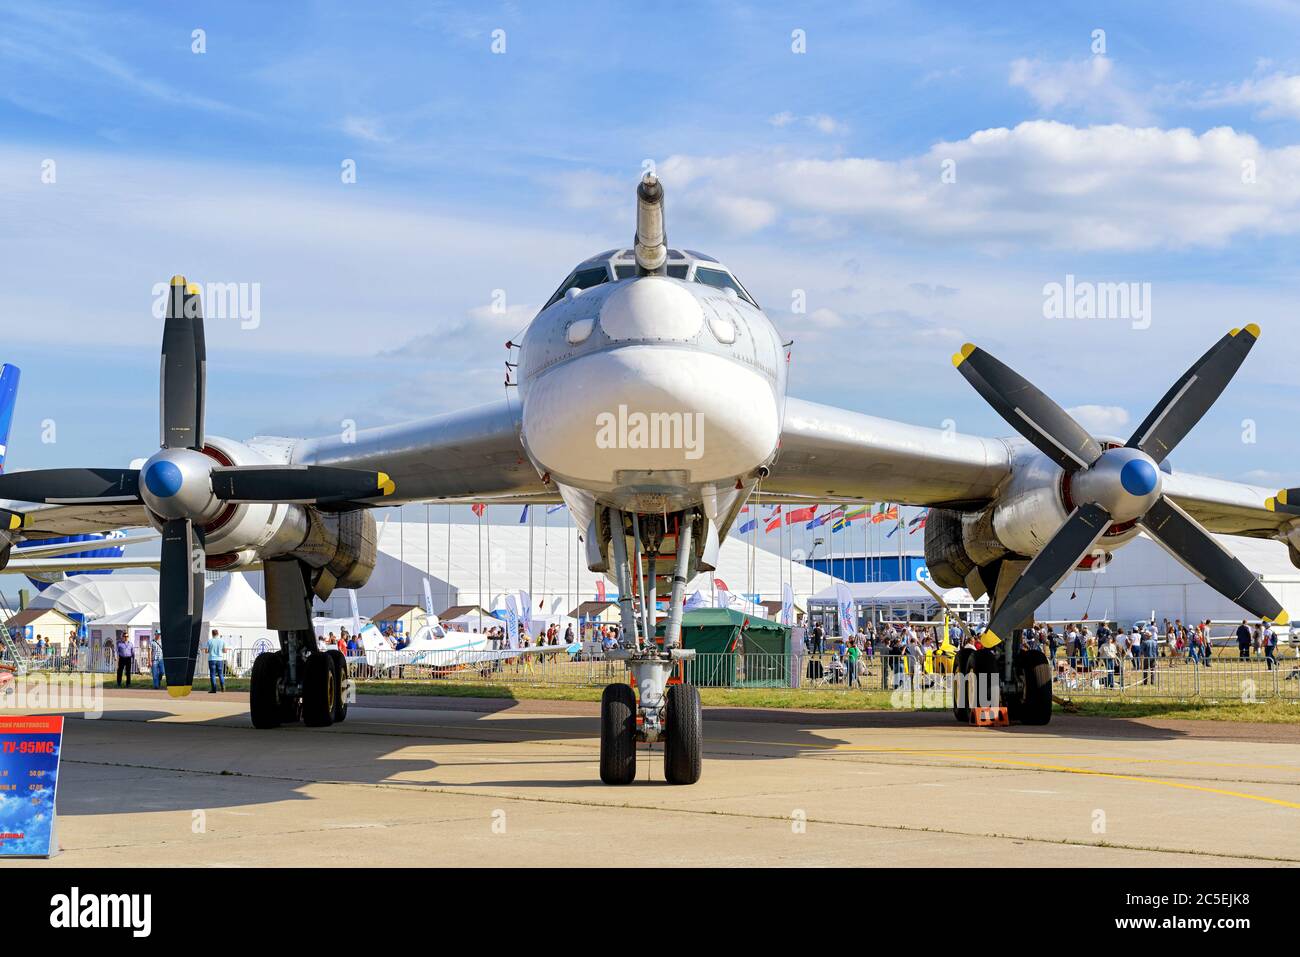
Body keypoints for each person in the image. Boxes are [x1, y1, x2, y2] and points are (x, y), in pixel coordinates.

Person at [205, 628, 227, 692]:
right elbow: (225, 650)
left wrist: (211, 650)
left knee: (212, 674)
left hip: (212, 659)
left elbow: (206, 651)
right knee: (220, 674)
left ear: (212, 634)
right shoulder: (222, 641)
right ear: (218, 634)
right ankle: (223, 687)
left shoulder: (209, 641)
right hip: (219, 659)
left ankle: (214, 689)